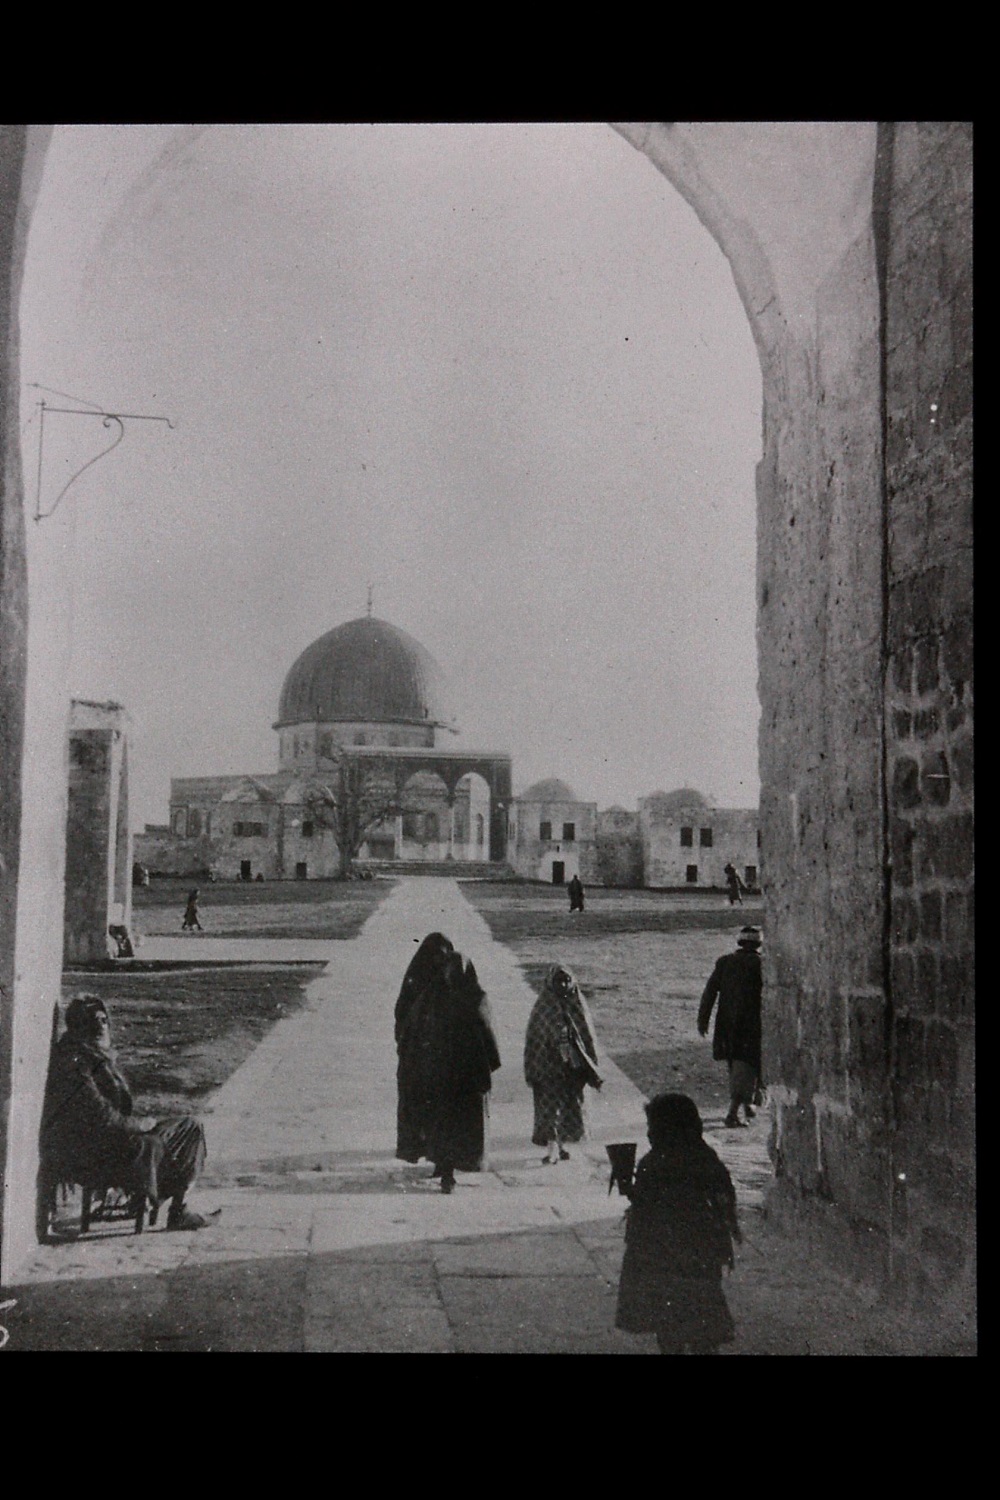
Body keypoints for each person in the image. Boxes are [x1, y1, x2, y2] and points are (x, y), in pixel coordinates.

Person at [39, 994, 209, 1230]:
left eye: (103, 1020)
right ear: (79, 1026)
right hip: (92, 1149)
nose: (101, 1026)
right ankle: (156, 1202)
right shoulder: (76, 1061)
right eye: (92, 1021)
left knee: (190, 1127)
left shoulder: (95, 1055)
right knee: (155, 1142)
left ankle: (176, 1208)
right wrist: (138, 1125)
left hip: (111, 1137)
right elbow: (101, 1116)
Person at [615, 1092, 740, 1355]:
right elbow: (724, 1195)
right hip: (701, 1253)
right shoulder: (704, 1156)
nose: (649, 1134)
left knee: (668, 1326)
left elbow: (645, 1205)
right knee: (704, 1326)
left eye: (652, 1127)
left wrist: (627, 1186)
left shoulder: (653, 1163)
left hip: (662, 1257)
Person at [395, 944, 501, 1193]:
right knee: (456, 1127)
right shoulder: (475, 999)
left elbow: (410, 1036)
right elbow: (490, 1041)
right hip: (463, 1081)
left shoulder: (431, 998)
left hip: (442, 1079)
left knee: (441, 1125)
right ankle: (447, 1172)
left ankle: (444, 1168)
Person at [524, 962, 603, 1164]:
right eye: (559, 980)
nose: (563, 984)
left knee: (570, 1106)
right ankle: (551, 1149)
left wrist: (591, 1063)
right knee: (550, 1108)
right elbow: (535, 1038)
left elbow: (587, 1035)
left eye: (567, 980)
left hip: (572, 1067)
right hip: (549, 1067)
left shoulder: (577, 1003)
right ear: (550, 982)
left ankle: (562, 1146)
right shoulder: (543, 1006)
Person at [697, 925, 763, 1128]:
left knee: (735, 1065)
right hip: (752, 1024)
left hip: (726, 1023)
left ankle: (746, 1105)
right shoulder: (761, 964)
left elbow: (710, 992)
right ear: (758, 945)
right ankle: (733, 1113)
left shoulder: (725, 962)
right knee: (748, 1065)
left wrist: (703, 1019)